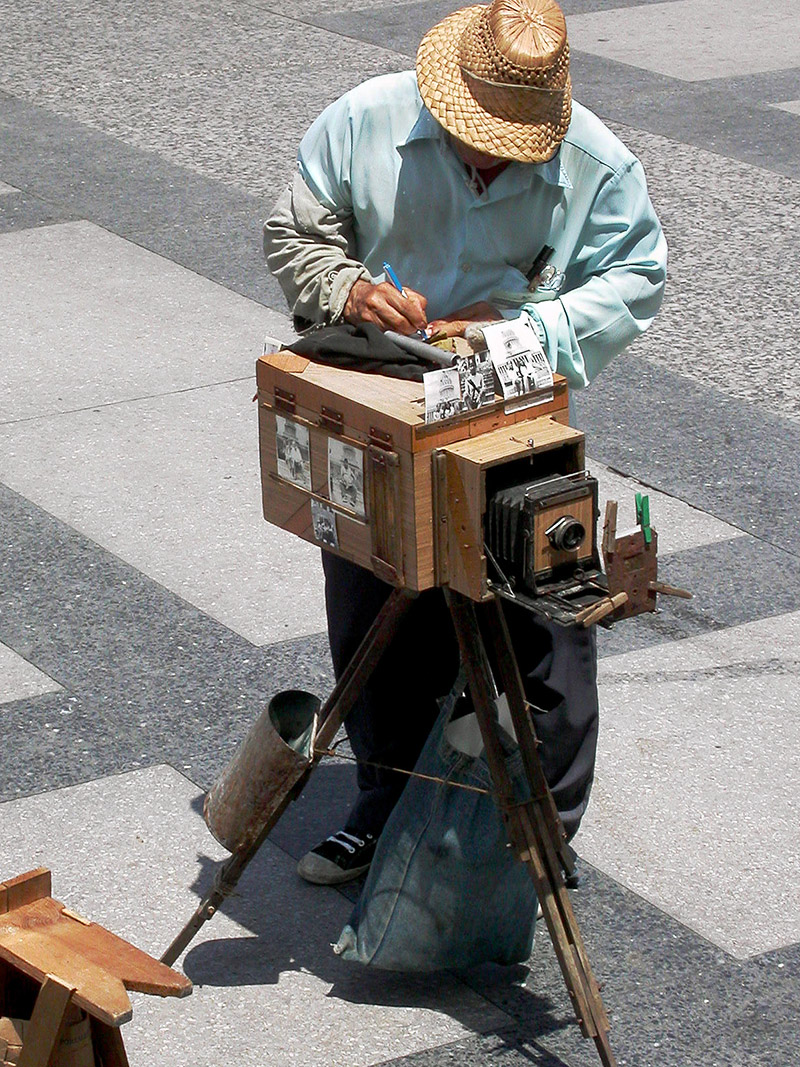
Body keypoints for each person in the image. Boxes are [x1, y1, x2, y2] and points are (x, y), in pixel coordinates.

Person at [264, 0, 666, 885]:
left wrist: (521, 330)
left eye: (510, 145)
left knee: (541, 622)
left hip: (513, 402)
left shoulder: (595, 160)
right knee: (375, 610)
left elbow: (637, 276)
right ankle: (383, 812)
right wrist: (348, 288)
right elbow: (295, 235)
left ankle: (539, 835)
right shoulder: (364, 120)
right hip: (384, 393)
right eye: (476, 136)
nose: (489, 158)